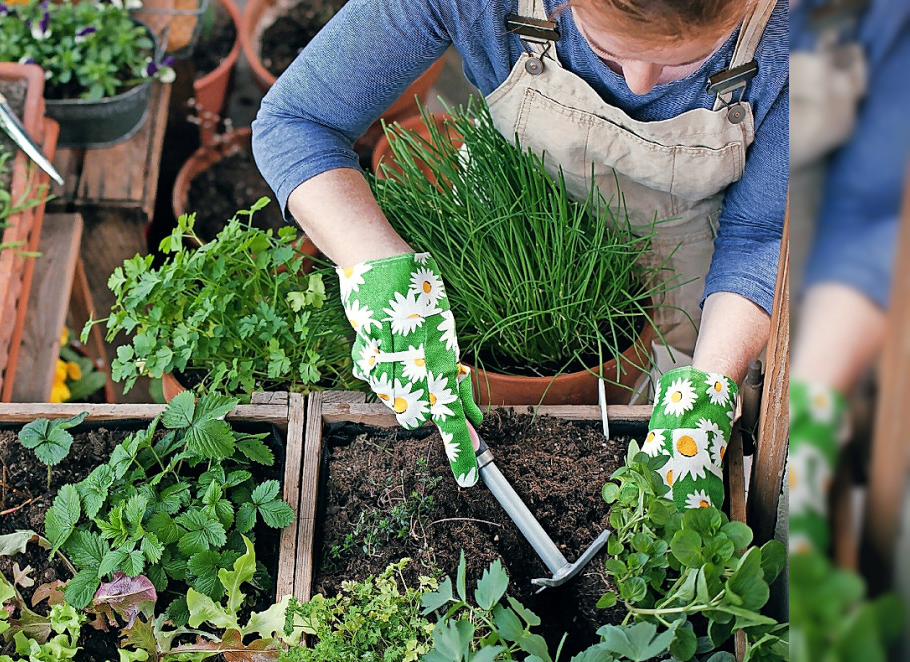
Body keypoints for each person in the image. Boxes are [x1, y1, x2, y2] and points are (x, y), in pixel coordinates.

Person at [253, 0, 788, 509]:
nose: (637, 82)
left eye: (689, 62)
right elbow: (298, 120)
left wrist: (710, 381)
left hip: (694, 263)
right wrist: (378, 266)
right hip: (509, 232)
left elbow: (762, 229)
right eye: (604, 50)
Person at [786, 0, 910, 557]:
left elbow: (870, 215)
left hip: (820, 306)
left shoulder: (884, 20)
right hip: (649, 313)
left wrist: (811, 406)